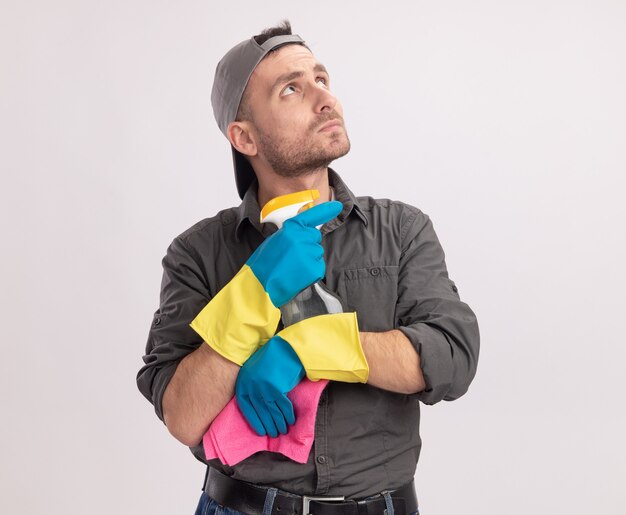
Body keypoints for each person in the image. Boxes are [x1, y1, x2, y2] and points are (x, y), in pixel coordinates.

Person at [137, 20, 480, 515]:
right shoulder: (197, 252)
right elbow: (183, 415)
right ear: (245, 137)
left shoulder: (401, 229)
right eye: (291, 89)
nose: (325, 100)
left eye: (321, 79)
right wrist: (253, 292)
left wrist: (305, 345)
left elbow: (452, 358)